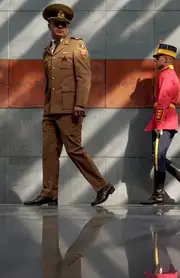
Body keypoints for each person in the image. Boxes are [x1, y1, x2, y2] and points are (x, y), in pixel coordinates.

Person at [25, 3, 115, 207]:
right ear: (49, 24)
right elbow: (50, 81)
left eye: (64, 24)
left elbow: (84, 78)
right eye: (57, 24)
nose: (61, 27)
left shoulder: (77, 46)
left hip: (69, 108)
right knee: (49, 152)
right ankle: (49, 192)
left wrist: (80, 104)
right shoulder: (47, 50)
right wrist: (46, 105)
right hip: (50, 109)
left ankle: (102, 186)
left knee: (74, 150)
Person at [140, 41, 180, 205]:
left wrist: (159, 124)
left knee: (158, 157)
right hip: (166, 119)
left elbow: (163, 100)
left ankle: (159, 195)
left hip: (164, 120)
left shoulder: (166, 75)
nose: (155, 60)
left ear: (166, 59)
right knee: (159, 156)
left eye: (158, 58)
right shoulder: (168, 75)